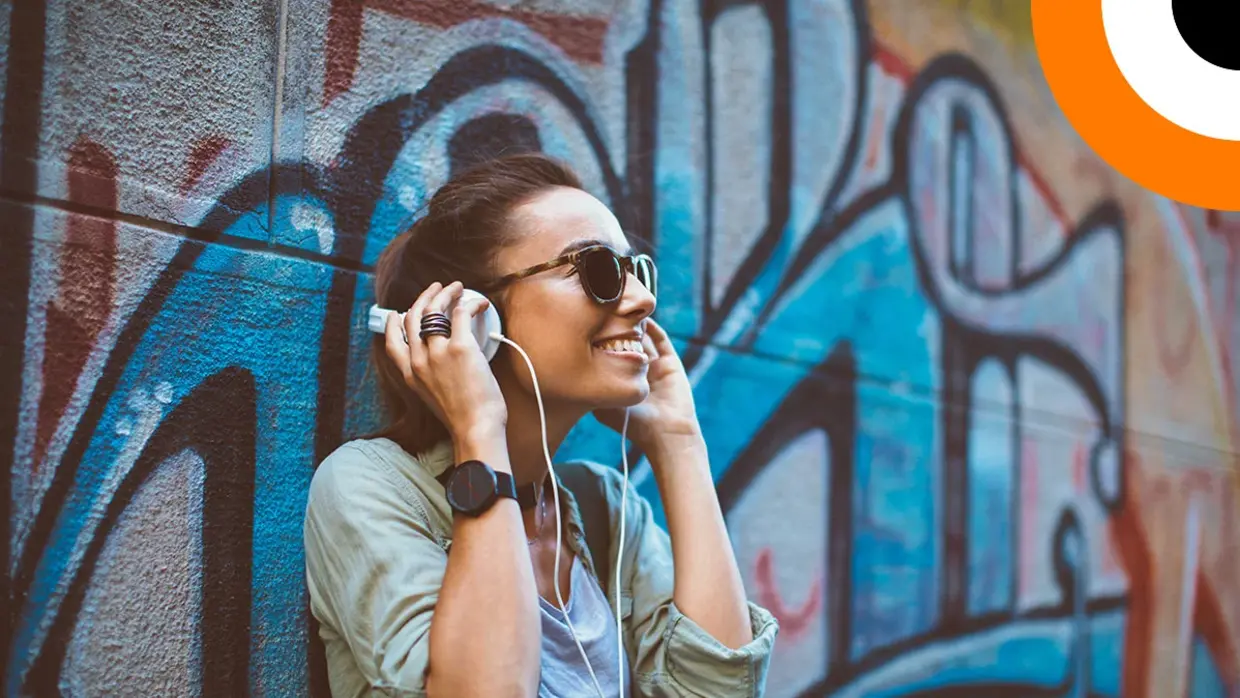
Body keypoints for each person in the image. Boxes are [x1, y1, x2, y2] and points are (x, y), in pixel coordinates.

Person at [303, 152, 779, 697]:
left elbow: (719, 692)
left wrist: (678, 444)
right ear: (478, 318)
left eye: (637, 270)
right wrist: (479, 430)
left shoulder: (605, 509)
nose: (643, 300)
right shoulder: (372, 487)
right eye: (597, 269)